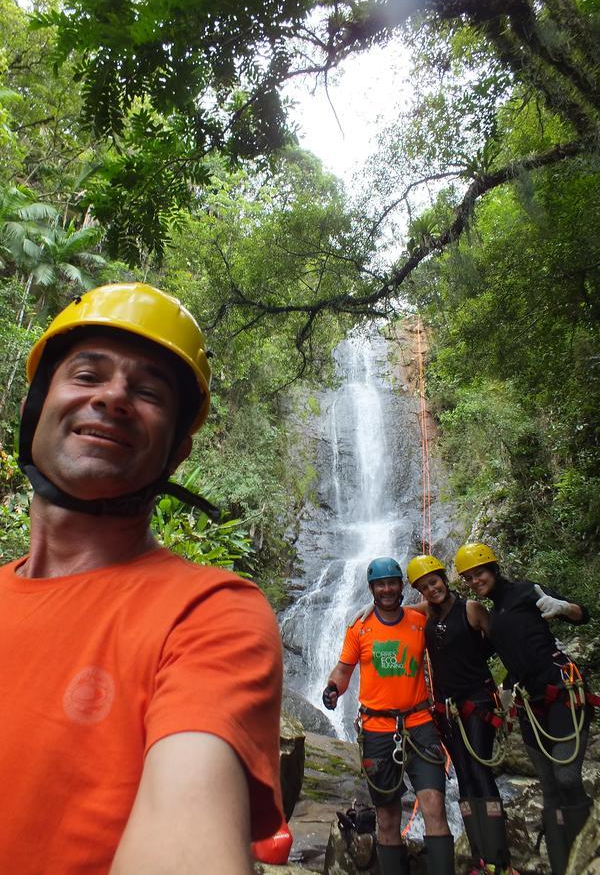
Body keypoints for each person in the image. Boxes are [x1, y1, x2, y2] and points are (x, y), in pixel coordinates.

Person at [0, 283, 283, 875]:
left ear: (177, 451)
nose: (113, 397)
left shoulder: (210, 613)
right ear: (35, 406)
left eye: (147, 390)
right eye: (86, 374)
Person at [454, 542, 592, 875]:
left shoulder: (527, 591)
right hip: (530, 703)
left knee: (567, 777)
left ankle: (587, 857)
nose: (476, 582)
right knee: (548, 784)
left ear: (493, 569)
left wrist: (562, 608)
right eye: (469, 578)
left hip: (562, 691)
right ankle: (563, 866)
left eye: (480, 573)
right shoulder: (491, 616)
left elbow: (581, 614)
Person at [322, 556, 455, 875]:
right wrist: (332, 689)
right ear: (371, 588)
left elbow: (445, 605)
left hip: (421, 726)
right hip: (377, 731)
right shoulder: (360, 626)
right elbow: (344, 669)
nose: (386, 590)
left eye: (392, 583)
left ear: (401, 587)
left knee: (435, 807)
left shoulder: (418, 619)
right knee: (387, 816)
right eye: (380, 584)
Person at [407, 554, 513, 875]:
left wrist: (509, 684)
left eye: (434, 581)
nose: (432, 589)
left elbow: (505, 643)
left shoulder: (470, 609)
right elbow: (394, 612)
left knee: (480, 771)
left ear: (444, 578)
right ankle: (481, 858)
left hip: (476, 703)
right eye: (424, 587)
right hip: (446, 709)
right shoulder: (427, 613)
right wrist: (369, 609)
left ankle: (499, 859)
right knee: (464, 777)